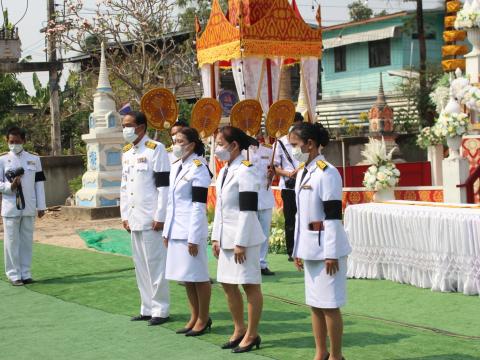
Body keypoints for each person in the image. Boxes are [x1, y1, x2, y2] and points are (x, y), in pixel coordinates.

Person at [289, 122, 351, 360]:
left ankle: (336, 356)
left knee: (330, 305)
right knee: (315, 304)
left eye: (295, 145)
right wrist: (298, 249)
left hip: (327, 249)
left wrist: (331, 252)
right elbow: (300, 215)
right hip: (309, 247)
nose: (293, 150)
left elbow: (333, 216)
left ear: (310, 144)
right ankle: (320, 353)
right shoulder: (304, 170)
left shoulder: (328, 172)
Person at [211, 126, 264, 353]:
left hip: (244, 239)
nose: (216, 148)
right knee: (227, 284)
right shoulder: (224, 170)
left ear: (234, 146)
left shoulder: (246, 170)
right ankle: (239, 328)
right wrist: (215, 237)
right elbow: (220, 208)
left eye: (220, 143)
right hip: (225, 237)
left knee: (249, 285)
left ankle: (252, 334)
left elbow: (248, 210)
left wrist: (240, 242)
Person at [120, 111, 171, 326]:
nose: (125, 129)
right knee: (140, 264)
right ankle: (146, 307)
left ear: (141, 126)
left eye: (128, 125)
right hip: (134, 217)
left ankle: (160, 309)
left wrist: (160, 216)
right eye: (124, 125)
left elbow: (163, 186)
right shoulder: (127, 152)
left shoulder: (156, 149)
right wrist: (124, 215)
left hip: (151, 218)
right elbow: (124, 187)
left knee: (155, 264)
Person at [163, 127, 212, 337]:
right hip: (176, 229)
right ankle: (194, 316)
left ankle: (203, 317)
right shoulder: (177, 166)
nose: (175, 144)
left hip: (191, 230)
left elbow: (198, 205)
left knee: (199, 276)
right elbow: (170, 202)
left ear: (191, 145)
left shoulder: (199, 167)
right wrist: (167, 230)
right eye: (174, 140)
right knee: (186, 277)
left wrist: (193, 236)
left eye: (180, 141)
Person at [0, 126, 46, 286]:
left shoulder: (34, 159)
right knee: (11, 242)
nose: (14, 144)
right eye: (11, 141)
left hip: (29, 207)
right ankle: (14, 275)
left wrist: (42, 206)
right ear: (7, 141)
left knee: (26, 241)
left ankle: (25, 273)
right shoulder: (2, 159)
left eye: (17, 141)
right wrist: (9, 187)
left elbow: (39, 184)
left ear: (24, 141)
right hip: (11, 206)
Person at [243, 132, 275, 276]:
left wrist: (271, 175)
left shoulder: (269, 150)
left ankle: (262, 263)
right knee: (249, 231)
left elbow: (272, 170)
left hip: (265, 196)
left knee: (264, 232)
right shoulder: (242, 152)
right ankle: (250, 262)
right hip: (248, 197)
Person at [273, 112, 304, 261]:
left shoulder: (304, 142)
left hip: (304, 184)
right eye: (295, 124)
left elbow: (306, 159)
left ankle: (304, 248)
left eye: (299, 124)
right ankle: (291, 250)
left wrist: (301, 170)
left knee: (304, 217)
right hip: (288, 186)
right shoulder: (279, 143)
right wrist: (288, 173)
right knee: (290, 219)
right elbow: (274, 167)